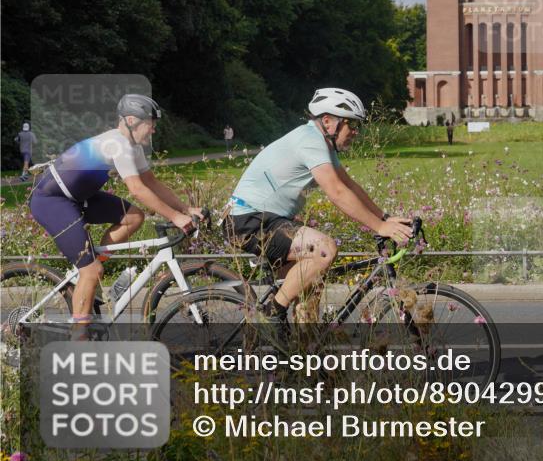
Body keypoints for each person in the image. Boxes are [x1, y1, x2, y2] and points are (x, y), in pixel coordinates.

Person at [224, 88, 412, 332]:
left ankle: (303, 355)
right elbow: (337, 192)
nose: (356, 132)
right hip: (248, 220)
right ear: (327, 121)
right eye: (351, 125)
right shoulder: (310, 140)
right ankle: (271, 314)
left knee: (311, 288)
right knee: (324, 249)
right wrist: (380, 227)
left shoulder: (322, 144)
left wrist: (384, 217)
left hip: (267, 220)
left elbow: (349, 185)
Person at [28, 95, 203, 338]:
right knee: (91, 271)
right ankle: (78, 341)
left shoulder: (132, 146)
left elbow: (151, 182)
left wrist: (185, 209)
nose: (153, 128)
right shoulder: (117, 143)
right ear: (131, 120)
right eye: (150, 122)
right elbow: (137, 189)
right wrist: (174, 217)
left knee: (133, 217)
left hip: (79, 197)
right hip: (52, 200)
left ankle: (90, 270)